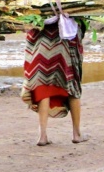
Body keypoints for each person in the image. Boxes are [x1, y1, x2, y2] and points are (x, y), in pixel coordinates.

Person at [20, 18, 89, 146]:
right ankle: (77, 133)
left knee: (43, 84)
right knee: (71, 82)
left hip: (40, 35)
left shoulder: (33, 0)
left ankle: (42, 135)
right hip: (66, 36)